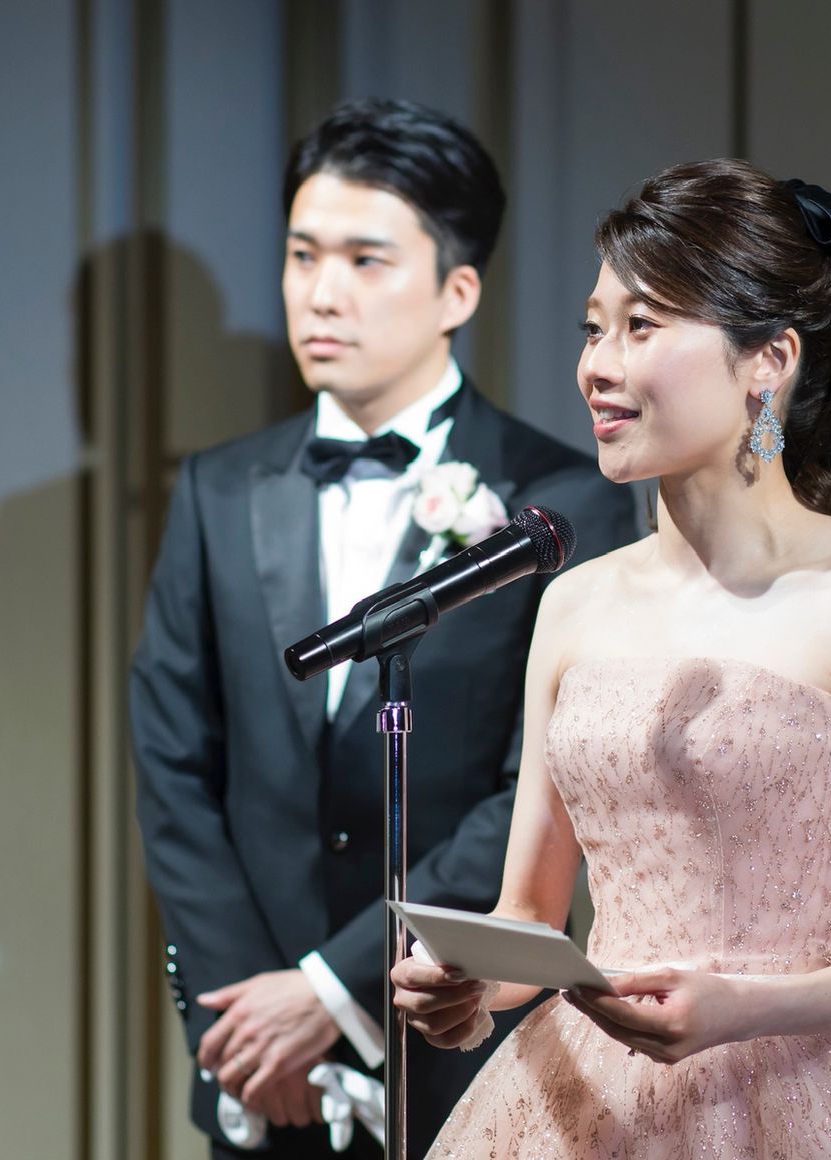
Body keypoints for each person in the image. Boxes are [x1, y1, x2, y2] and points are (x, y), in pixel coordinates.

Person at [391, 158, 831, 1158]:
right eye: (592, 329)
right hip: (602, 1095)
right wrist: (472, 983)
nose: (597, 365)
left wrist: (741, 1007)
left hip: (828, 1087)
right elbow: (532, 913)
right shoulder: (571, 603)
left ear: (766, 360)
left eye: (641, 326)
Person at [131, 97, 638, 1160]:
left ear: (458, 290)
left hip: (465, 1043)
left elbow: (539, 785)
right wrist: (250, 1013)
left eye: (366, 260)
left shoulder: (562, 501)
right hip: (255, 1061)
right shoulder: (218, 488)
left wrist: (331, 990)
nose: (321, 292)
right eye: (301, 255)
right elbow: (173, 762)